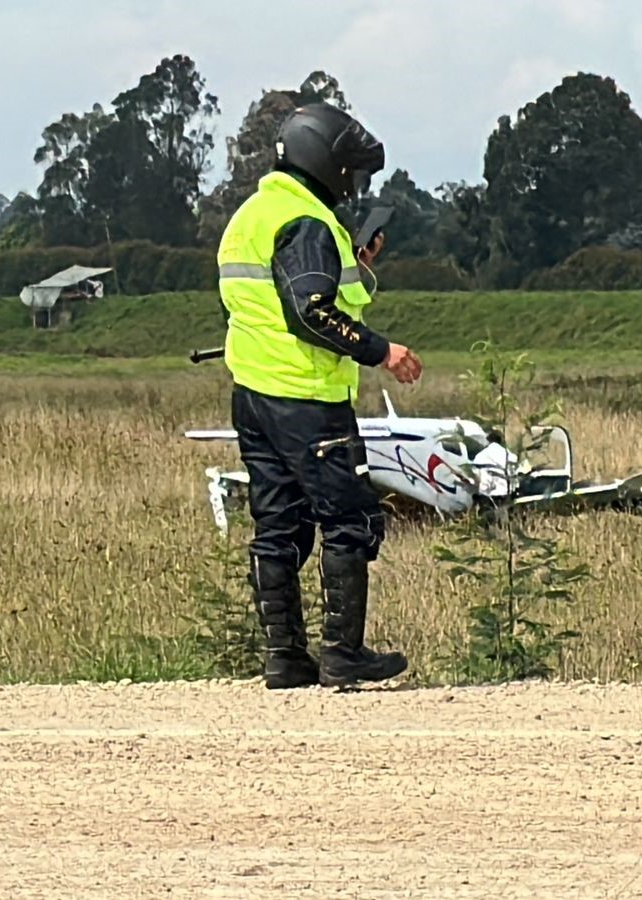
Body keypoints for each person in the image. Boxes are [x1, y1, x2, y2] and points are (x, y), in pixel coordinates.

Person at [216, 103, 423, 690]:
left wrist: (353, 264)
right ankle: (343, 654)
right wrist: (383, 351)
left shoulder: (254, 214)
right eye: (350, 173)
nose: (354, 186)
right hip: (307, 397)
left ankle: (285, 658)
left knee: (277, 524)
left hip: (254, 396)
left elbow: (269, 300)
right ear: (324, 163)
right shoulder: (306, 222)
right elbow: (311, 312)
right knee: (350, 518)